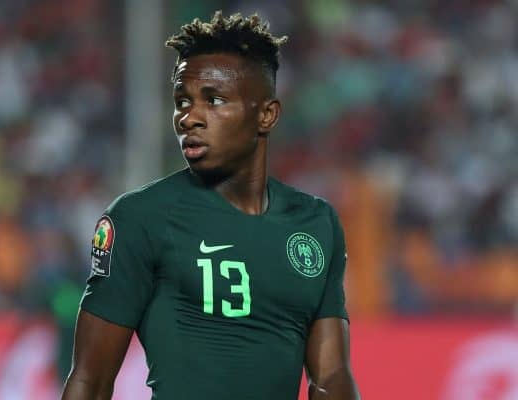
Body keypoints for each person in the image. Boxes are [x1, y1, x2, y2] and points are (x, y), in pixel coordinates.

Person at [62, 11, 360, 400]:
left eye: (213, 100)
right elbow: (90, 379)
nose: (189, 117)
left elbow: (331, 377)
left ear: (266, 115)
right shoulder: (141, 218)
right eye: (182, 101)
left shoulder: (315, 223)